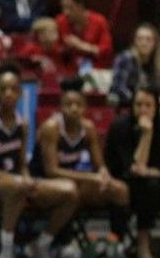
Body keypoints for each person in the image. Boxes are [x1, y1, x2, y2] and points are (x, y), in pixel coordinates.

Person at [0, 65, 76, 258]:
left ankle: (41, 244)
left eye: (13, 89)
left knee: (69, 192)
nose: (9, 94)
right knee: (19, 187)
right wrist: (19, 180)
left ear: (21, 93)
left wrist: (27, 177)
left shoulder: (23, 122)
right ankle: (5, 249)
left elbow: (22, 162)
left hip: (17, 180)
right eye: (4, 89)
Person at [104, 87, 160, 258]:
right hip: (123, 182)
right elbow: (134, 168)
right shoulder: (120, 126)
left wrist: (148, 171)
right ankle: (143, 244)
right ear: (131, 106)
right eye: (139, 104)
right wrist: (146, 135)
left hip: (151, 178)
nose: (143, 110)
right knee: (151, 186)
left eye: (148, 105)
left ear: (157, 107)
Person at [34, 79, 129, 235]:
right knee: (70, 192)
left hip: (74, 181)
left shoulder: (88, 128)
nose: (74, 109)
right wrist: (91, 178)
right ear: (60, 108)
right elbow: (52, 171)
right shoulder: (51, 128)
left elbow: (99, 165)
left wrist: (103, 173)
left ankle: (118, 242)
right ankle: (45, 241)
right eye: (68, 105)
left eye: (78, 105)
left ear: (85, 107)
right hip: (44, 182)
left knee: (119, 189)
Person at [108, 22, 160, 106]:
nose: (144, 43)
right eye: (140, 39)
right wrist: (140, 101)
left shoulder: (157, 63)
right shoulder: (125, 59)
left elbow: (157, 89)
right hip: (125, 106)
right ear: (134, 41)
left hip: (147, 107)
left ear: (155, 43)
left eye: (148, 39)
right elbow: (118, 87)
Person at [57, 0, 113, 67]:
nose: (66, 12)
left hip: (95, 68)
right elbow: (56, 49)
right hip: (69, 69)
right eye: (64, 8)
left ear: (81, 6)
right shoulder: (60, 21)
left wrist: (81, 45)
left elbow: (106, 51)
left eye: (70, 8)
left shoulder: (99, 21)